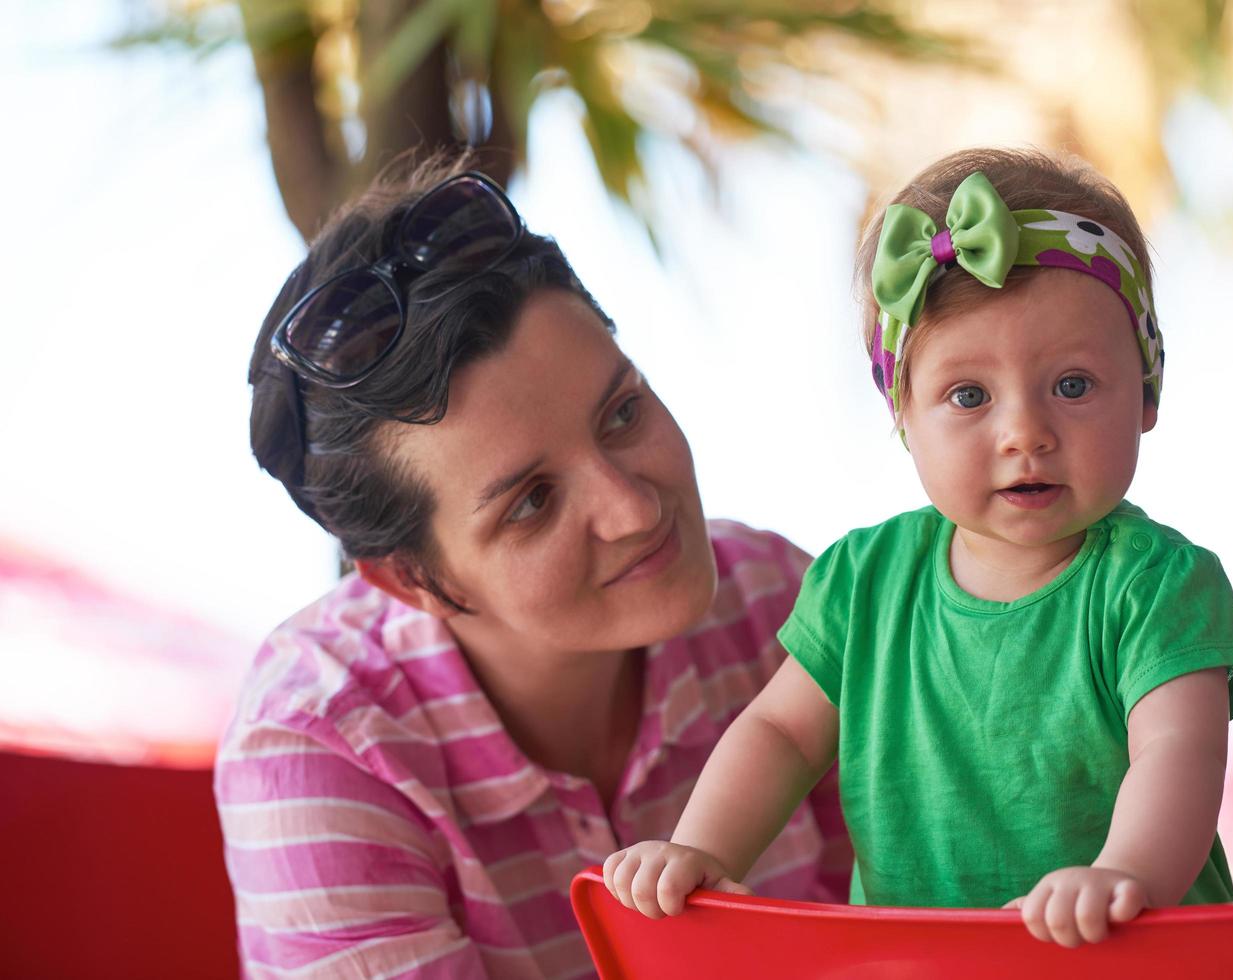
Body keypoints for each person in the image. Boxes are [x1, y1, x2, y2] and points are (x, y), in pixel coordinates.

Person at [603, 147, 1233, 948]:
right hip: (918, 962)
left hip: (1131, 957)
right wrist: (702, 847)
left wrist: (1123, 872)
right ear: (905, 417)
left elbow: (1179, 750)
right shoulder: (864, 580)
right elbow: (778, 734)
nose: (1025, 432)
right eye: (969, 395)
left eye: (1074, 385)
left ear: (1148, 389)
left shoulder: (1158, 584)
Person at [217, 156, 850, 979]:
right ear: (411, 581)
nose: (634, 509)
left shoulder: (778, 601)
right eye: (531, 502)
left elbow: (924, 917)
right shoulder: (323, 742)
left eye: (623, 413)